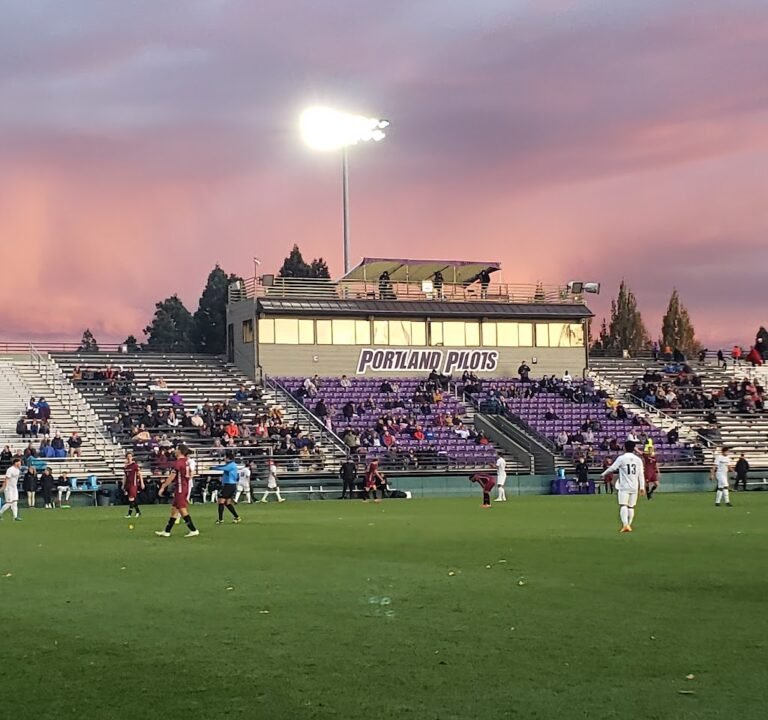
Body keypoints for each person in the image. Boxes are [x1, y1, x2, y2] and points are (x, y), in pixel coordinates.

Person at [155, 444, 200, 538]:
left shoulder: (178, 462)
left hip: (180, 488)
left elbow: (172, 476)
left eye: (176, 449)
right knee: (174, 509)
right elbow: (190, 473)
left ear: (180, 451)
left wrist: (163, 486)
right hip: (184, 486)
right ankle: (167, 531)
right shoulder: (186, 462)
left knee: (181, 508)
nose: (174, 451)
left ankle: (193, 529)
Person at [600, 441, 645, 533]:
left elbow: (613, 468)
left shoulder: (622, 458)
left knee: (623, 505)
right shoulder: (638, 459)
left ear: (624, 448)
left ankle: (625, 525)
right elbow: (641, 474)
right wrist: (642, 487)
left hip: (624, 486)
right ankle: (629, 524)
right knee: (631, 507)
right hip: (634, 486)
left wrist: (603, 473)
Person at [211, 451, 241, 524]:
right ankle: (237, 517)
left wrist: (213, 467)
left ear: (228, 458)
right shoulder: (232, 465)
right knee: (227, 503)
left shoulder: (231, 465)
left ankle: (220, 519)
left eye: (225, 457)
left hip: (229, 485)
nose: (224, 458)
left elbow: (223, 468)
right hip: (231, 485)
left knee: (220, 501)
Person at [0, 456, 22, 521]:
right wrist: (3, 487)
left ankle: (15, 517)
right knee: (9, 503)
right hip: (9, 488)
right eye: (19, 462)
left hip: (14, 488)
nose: (20, 464)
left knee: (15, 502)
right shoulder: (10, 469)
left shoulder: (18, 470)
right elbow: (6, 479)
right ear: (15, 463)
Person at [123, 452, 144, 518]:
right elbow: (125, 476)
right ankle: (138, 512)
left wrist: (142, 483)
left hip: (133, 484)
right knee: (132, 499)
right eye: (128, 457)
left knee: (131, 498)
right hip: (128, 484)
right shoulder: (126, 466)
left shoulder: (135, 465)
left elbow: (140, 474)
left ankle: (129, 514)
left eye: (130, 456)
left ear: (132, 457)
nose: (129, 458)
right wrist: (123, 484)